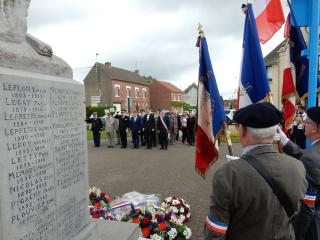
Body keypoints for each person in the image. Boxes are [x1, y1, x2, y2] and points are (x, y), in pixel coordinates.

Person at [204, 102, 307, 240]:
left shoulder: (227, 174)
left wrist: (238, 170)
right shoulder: (297, 167)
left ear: (244, 131)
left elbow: (215, 233)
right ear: (276, 131)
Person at [275, 106, 320, 240]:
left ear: (315, 128)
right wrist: (285, 141)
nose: (303, 123)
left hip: (314, 227)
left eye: (307, 121)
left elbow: (307, 208)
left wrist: (295, 235)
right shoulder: (312, 155)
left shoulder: (310, 158)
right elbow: (305, 156)